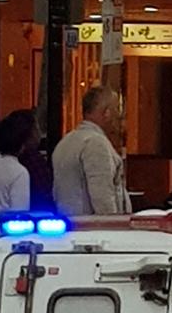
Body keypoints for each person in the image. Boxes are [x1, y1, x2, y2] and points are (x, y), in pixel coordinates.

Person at [52, 86, 132, 216]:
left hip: (69, 225)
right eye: (116, 109)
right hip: (92, 230)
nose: (119, 117)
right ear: (106, 113)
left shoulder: (65, 142)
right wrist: (114, 227)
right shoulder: (95, 144)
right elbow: (103, 198)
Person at [12, 109, 55, 212]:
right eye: (37, 128)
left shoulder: (10, 158)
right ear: (31, 132)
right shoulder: (33, 159)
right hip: (39, 213)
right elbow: (46, 190)